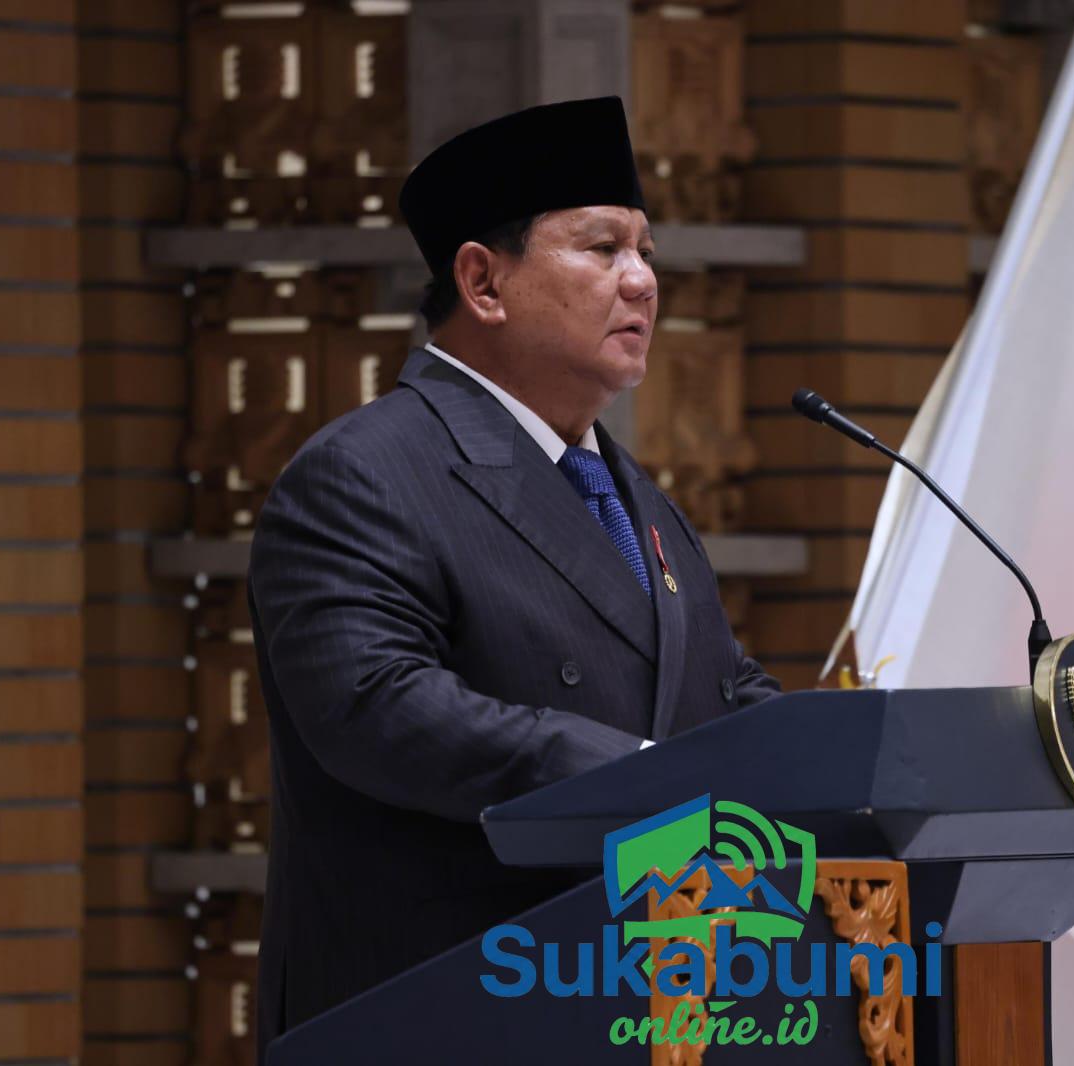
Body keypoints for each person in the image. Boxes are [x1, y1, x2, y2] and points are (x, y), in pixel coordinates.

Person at [246, 96, 781, 1052]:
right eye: (603, 248)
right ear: (483, 282)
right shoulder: (362, 473)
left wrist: (844, 756)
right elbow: (375, 706)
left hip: (645, 1005)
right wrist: (635, 777)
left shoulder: (638, 498)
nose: (642, 280)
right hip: (440, 1009)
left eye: (646, 252)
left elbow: (719, 690)